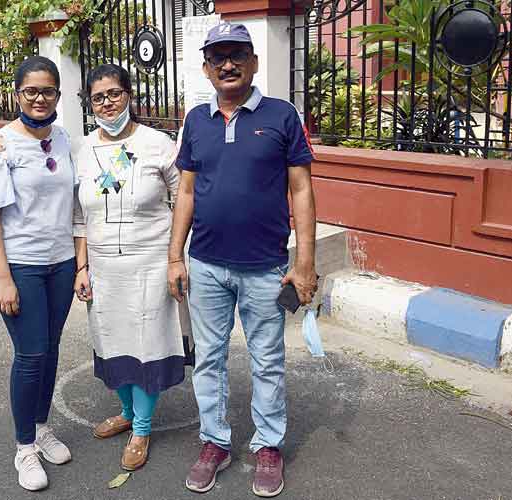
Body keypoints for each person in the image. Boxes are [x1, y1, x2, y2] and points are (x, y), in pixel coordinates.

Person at [167, 23, 318, 497]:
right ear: (206, 67)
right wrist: (176, 256)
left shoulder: (281, 116)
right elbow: (186, 191)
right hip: (208, 264)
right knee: (209, 359)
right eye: (218, 57)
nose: (227, 64)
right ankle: (215, 442)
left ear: (253, 62)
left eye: (237, 55)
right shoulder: (195, 119)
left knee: (267, 360)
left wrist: (306, 262)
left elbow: (302, 189)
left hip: (265, 267)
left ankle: (268, 446)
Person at [0, 56, 76, 492]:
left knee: (50, 349)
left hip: (61, 262)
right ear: (17, 94)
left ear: (58, 96)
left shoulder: (63, 139)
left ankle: (42, 427)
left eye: (48, 91)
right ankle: (24, 446)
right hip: (20, 266)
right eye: (31, 91)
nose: (40, 98)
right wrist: (4, 278)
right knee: (30, 355)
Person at [72, 64, 185, 471]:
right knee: (111, 341)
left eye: (114, 94)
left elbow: (184, 199)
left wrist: (177, 257)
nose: (107, 103)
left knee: (147, 344)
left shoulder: (158, 144)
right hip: (103, 268)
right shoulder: (83, 150)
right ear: (90, 103)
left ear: (130, 94)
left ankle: (141, 427)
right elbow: (80, 215)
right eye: (98, 97)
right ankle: (124, 411)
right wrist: (82, 266)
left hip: (149, 266)